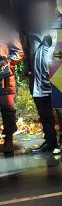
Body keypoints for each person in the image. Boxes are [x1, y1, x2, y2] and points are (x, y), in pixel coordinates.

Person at [26, 2, 62, 155]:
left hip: (57, 78)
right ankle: (50, 142)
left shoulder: (60, 30)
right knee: (45, 115)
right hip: (38, 82)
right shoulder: (32, 33)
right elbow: (29, 54)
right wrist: (28, 70)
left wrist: (55, 64)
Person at [0, 17, 24, 157]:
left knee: (7, 108)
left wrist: (6, 62)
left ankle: (8, 138)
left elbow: (18, 52)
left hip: (4, 77)